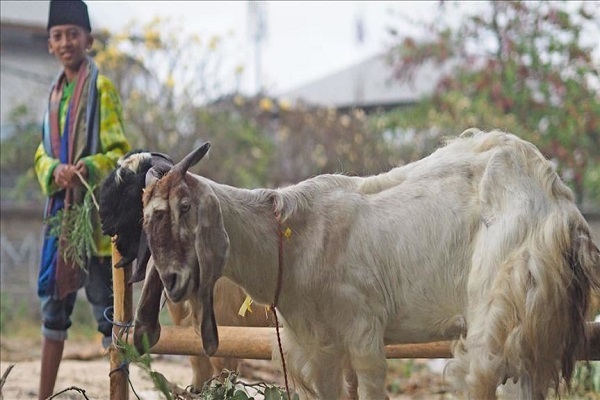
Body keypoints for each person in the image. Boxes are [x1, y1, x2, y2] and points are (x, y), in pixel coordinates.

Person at [33, 1, 131, 398]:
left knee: (107, 315)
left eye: (73, 33)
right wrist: (53, 170)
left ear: (88, 39)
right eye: (57, 35)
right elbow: (41, 153)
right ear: (49, 45)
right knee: (52, 313)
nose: (65, 41)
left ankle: (119, 393)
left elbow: (119, 151)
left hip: (92, 223)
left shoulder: (101, 87)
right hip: (61, 221)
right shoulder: (53, 96)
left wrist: (87, 166)